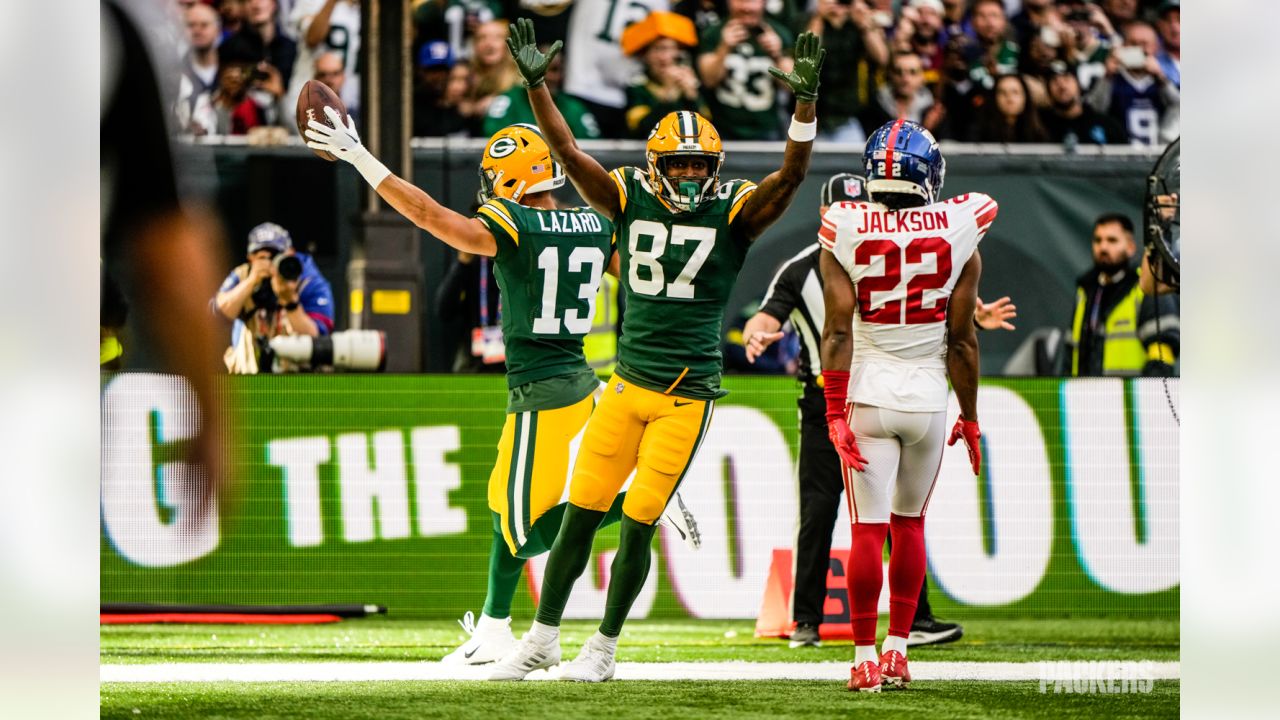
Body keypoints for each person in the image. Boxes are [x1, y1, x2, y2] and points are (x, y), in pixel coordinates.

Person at [486, 18, 824, 683]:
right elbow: (564, 146)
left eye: (701, 165)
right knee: (579, 517)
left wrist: (805, 109)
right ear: (655, 165)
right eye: (681, 165)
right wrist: (537, 88)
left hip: (685, 397)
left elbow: (791, 175)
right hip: (624, 388)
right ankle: (543, 638)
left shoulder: (733, 212)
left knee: (637, 524)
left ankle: (604, 649)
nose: (692, 176)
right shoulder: (625, 194)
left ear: (716, 168)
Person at [303, 118, 700, 665]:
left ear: (509, 180)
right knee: (500, 507)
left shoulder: (513, 219)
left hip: (544, 392)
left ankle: (640, 504)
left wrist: (361, 159)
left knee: (523, 535)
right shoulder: (595, 221)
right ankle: (493, 626)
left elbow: (428, 216)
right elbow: (641, 281)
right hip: (580, 379)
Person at [743, 172, 1015, 650]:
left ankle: (878, 645)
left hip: (858, 394)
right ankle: (849, 630)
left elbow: (856, 325)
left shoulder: (851, 242)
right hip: (898, 394)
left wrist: (972, 314)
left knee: (873, 523)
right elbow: (938, 316)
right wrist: (759, 329)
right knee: (856, 514)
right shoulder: (807, 264)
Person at [817, 119, 990, 692]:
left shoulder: (844, 223)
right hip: (926, 398)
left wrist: (833, 413)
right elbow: (962, 340)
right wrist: (969, 416)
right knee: (910, 523)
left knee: (867, 531)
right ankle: (898, 650)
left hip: (867, 392)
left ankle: (864, 656)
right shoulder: (960, 225)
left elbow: (837, 332)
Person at [214, 223, 335, 373]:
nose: (270, 264)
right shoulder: (243, 275)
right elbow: (214, 317)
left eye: (276, 257)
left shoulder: (307, 280)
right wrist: (251, 282)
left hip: (296, 379)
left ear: (290, 253)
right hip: (248, 378)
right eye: (262, 258)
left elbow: (317, 339)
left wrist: (290, 302)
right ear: (251, 258)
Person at [697, 0, 795, 141]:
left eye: (753, 1)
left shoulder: (779, 34)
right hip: (722, 129)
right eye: (740, 1)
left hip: (766, 129)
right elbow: (709, 80)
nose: (747, 8)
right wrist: (724, 48)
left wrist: (777, 56)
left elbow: (792, 85)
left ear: (764, 3)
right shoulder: (713, 33)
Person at [1065, 213, 1148, 377]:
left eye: (1112, 240)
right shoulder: (1084, 290)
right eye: (1098, 240)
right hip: (1083, 395)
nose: (1103, 247)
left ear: (1131, 247)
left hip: (1129, 397)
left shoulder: (1144, 287)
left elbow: (1162, 352)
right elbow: (1070, 351)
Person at [806, 0, 889, 144]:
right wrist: (819, 17)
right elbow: (807, 57)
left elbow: (881, 57)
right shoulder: (809, 20)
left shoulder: (856, 23)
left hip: (850, 117)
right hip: (814, 114)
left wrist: (864, 25)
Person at [621, 12, 709, 140]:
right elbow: (642, 129)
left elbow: (705, 130)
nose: (664, 57)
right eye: (658, 49)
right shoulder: (637, 87)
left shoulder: (688, 82)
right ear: (646, 55)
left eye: (670, 49)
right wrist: (669, 96)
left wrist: (691, 96)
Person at [483, 45, 600, 139]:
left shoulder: (574, 108)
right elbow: (492, 138)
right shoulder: (508, 100)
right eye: (541, 69)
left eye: (554, 69)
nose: (546, 76)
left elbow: (595, 148)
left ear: (562, 74)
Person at [218, 0, 296, 124]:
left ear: (274, 4)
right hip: (240, 126)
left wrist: (279, 93)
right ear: (242, 7)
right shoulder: (228, 48)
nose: (256, 4)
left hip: (284, 123)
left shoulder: (290, 48)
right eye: (249, 0)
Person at [285, 0, 362, 119]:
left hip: (345, 97)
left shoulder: (358, 8)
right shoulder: (311, 2)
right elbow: (313, 38)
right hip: (308, 95)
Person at [1042, 60, 1127, 145]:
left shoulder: (1107, 125)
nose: (1062, 86)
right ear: (1048, 90)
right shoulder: (1041, 127)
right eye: (1054, 81)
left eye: (1067, 79)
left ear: (1079, 85)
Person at [175, 2, 222, 136]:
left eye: (204, 25)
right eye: (191, 25)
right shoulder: (174, 75)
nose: (197, 31)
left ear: (217, 30)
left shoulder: (231, 69)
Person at [968, 72, 1048, 143]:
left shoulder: (1039, 132)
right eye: (1002, 93)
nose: (1009, 98)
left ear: (1025, 97)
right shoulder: (979, 131)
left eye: (1015, 92)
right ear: (994, 98)